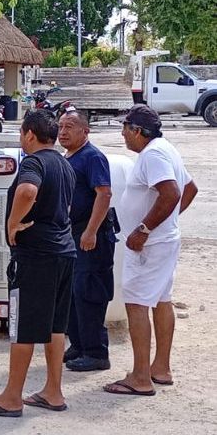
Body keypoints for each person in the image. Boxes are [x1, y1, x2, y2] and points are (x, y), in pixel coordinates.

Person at [0, 110, 75, 417]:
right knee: (56, 327)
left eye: (21, 134)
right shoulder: (64, 164)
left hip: (36, 256)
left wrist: (13, 224)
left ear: (29, 134)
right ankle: (53, 391)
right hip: (63, 253)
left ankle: (11, 397)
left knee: (23, 327)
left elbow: (28, 190)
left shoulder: (34, 162)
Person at [104, 105, 197, 396]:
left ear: (138, 131)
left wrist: (145, 229)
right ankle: (160, 367)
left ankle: (141, 376)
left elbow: (173, 192)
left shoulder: (153, 154)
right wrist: (165, 222)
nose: (122, 134)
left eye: (126, 129)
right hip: (162, 240)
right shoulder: (163, 148)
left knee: (137, 303)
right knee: (161, 299)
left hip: (150, 243)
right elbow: (190, 188)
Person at [57, 109, 117, 372]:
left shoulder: (93, 157)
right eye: (60, 126)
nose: (63, 132)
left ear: (85, 130)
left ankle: (96, 352)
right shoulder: (67, 157)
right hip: (69, 235)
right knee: (71, 292)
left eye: (70, 126)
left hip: (90, 235)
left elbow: (104, 194)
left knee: (89, 292)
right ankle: (79, 345)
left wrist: (91, 231)